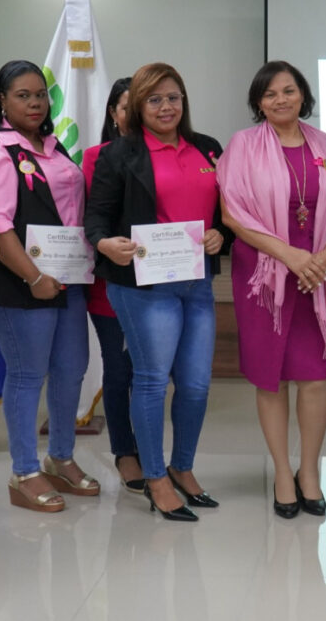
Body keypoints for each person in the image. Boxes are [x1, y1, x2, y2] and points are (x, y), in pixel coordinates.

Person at [85, 62, 229, 521]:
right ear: (138, 106)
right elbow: (96, 219)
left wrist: (221, 233)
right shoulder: (118, 154)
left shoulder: (208, 148)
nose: (166, 107)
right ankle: (155, 477)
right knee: (150, 380)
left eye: (173, 98)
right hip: (143, 286)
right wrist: (106, 244)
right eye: (154, 99)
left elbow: (226, 211)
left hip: (196, 282)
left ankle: (182, 467)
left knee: (196, 385)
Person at [218, 60, 326, 519]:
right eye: (269, 93)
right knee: (270, 376)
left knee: (314, 377)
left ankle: (309, 471)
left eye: (288, 91)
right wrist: (290, 256)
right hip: (263, 276)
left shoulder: (324, 143)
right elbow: (232, 215)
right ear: (258, 102)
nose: (280, 100)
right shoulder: (242, 144)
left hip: (316, 274)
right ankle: (281, 472)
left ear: (302, 95)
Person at [0, 60, 96, 513]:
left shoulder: (53, 148)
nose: (35, 103)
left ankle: (60, 457)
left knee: (71, 369)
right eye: (23, 95)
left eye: (40, 94)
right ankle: (24, 470)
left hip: (67, 278)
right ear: (2, 100)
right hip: (20, 283)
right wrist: (35, 277)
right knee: (27, 374)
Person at [81, 77, 143, 494]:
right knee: (119, 370)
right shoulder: (95, 157)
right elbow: (92, 217)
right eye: (126, 107)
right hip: (109, 282)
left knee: (149, 372)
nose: (134, 116)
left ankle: (149, 448)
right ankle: (124, 451)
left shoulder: (171, 155)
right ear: (113, 114)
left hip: (158, 282)